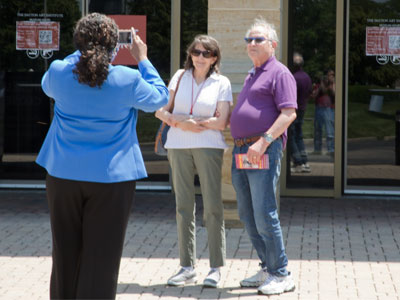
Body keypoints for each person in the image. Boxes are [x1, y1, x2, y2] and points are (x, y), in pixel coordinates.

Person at [36, 13, 168, 299]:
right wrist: (142, 58)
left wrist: (82, 48)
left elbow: (49, 84)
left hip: (63, 175)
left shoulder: (59, 71)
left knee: (65, 252)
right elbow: (161, 97)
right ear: (113, 44)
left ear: (78, 41)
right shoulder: (127, 78)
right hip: (112, 178)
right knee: (102, 255)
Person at [155, 34, 232, 288]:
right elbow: (160, 110)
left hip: (209, 147)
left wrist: (182, 120)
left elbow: (221, 123)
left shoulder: (222, 82)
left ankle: (215, 268)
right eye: (196, 52)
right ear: (190, 54)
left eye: (206, 54)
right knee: (183, 206)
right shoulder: (179, 76)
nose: (200, 57)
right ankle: (187, 267)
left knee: (212, 206)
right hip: (177, 146)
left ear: (214, 58)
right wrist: (183, 123)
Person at [229, 18, 297, 296]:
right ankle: (267, 267)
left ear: (273, 45)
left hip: (262, 149)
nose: (253, 44)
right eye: (249, 40)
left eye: (259, 39)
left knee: (264, 212)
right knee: (247, 213)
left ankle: (281, 273)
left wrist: (264, 141)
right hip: (242, 150)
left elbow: (289, 113)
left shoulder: (279, 73)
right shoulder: (252, 73)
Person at [289, 52, 312, 173]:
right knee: (299, 135)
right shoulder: (306, 77)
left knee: (291, 136)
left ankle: (297, 161)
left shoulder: (293, 78)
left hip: (294, 110)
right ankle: (305, 162)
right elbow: (309, 93)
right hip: (302, 109)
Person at [312, 69, 335, 156]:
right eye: (329, 75)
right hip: (319, 108)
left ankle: (331, 149)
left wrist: (332, 83)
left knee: (330, 132)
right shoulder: (319, 85)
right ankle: (317, 149)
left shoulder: (334, 85)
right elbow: (315, 95)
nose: (330, 77)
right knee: (317, 130)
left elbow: (334, 93)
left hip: (329, 109)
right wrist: (322, 82)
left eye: (332, 75)